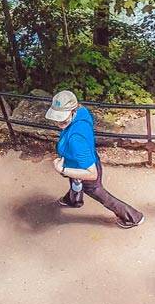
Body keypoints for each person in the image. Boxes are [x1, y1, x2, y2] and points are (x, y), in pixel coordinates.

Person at [46, 90, 144, 228]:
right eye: (57, 117)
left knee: (98, 193)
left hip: (82, 168)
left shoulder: (76, 140)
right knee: (75, 181)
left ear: (73, 110)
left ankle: (133, 217)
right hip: (81, 160)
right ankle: (73, 200)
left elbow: (92, 174)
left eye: (62, 117)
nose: (58, 121)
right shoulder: (82, 112)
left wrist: (62, 169)